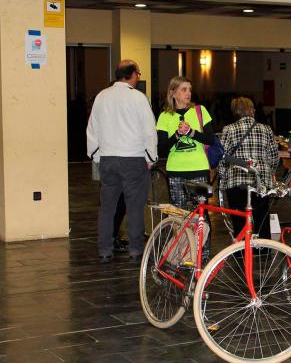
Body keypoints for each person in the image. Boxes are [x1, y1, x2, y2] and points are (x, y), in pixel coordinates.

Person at [86, 59, 157, 263]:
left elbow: (92, 129)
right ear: (133, 74)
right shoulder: (138, 98)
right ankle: (135, 250)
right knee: (134, 207)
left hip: (108, 159)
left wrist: (97, 156)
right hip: (133, 159)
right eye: (139, 74)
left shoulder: (102, 96)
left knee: (107, 207)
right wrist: (150, 158)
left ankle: (105, 250)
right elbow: (148, 131)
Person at [156, 76, 215, 264]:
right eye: (183, 89)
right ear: (172, 93)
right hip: (176, 171)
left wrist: (191, 133)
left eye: (189, 89)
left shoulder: (200, 111)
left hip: (198, 169)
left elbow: (211, 139)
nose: (188, 93)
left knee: (201, 215)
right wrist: (177, 135)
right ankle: (183, 255)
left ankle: (203, 256)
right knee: (179, 216)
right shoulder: (165, 116)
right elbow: (162, 149)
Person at [218, 97, 279, 239]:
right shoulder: (266, 129)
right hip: (260, 181)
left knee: (239, 220)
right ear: (252, 110)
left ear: (235, 112)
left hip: (236, 181)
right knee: (261, 218)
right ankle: (263, 251)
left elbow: (223, 157)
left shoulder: (229, 129)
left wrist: (222, 176)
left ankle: (241, 252)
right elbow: (274, 157)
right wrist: (271, 172)